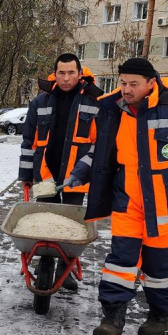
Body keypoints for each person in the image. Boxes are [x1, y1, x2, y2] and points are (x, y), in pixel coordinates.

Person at [64, 57, 168, 335]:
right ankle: (113, 316)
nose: (126, 90)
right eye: (123, 83)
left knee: (159, 264)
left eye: (133, 84)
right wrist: (80, 172)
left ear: (151, 83)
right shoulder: (115, 110)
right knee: (121, 259)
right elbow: (101, 151)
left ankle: (160, 315)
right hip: (127, 201)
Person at [18, 53, 103, 290]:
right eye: (61, 73)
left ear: (80, 73)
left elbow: (99, 144)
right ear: (55, 74)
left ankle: (64, 271)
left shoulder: (95, 102)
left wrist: (86, 169)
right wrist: (25, 175)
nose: (66, 78)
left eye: (71, 73)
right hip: (45, 174)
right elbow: (29, 142)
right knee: (45, 223)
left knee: (71, 227)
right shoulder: (41, 102)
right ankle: (45, 264)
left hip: (76, 178)